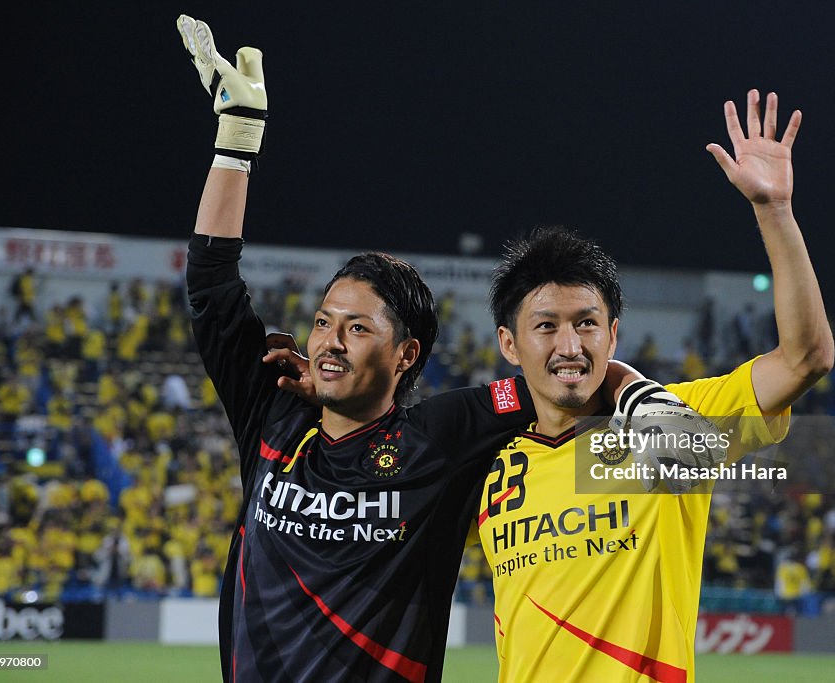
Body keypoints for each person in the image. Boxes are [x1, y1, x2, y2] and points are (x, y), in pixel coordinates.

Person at [177, 15, 639, 682]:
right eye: (324, 321)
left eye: (358, 328)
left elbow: (561, 379)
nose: (330, 341)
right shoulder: (272, 412)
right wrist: (237, 140)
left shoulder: (443, 435)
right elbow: (210, 284)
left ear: (406, 354)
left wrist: (637, 392)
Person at [477, 90, 834, 682]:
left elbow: (805, 359)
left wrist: (774, 211)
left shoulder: (674, 421)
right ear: (509, 344)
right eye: (546, 326)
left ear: (613, 335)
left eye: (586, 324)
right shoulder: (486, 460)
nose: (570, 346)